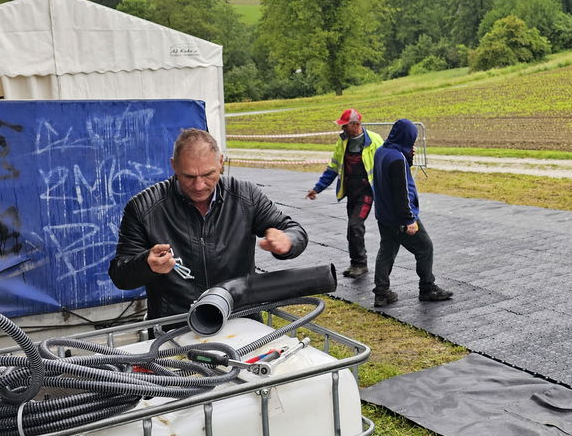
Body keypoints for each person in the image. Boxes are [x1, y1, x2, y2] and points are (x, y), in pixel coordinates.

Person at [109, 128, 308, 319]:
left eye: (208, 175)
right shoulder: (143, 208)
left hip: (239, 317)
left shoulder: (246, 196)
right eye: (189, 176)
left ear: (221, 162)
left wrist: (287, 241)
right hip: (175, 325)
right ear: (173, 166)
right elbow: (120, 275)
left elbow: (294, 231)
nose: (199, 185)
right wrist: (146, 264)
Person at [370, 118, 452, 307]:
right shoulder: (397, 159)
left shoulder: (382, 151)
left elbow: (390, 179)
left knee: (387, 251)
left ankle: (381, 293)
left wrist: (406, 156)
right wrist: (409, 220)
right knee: (425, 248)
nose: (413, 143)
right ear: (406, 137)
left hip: (384, 215)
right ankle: (427, 287)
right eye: (412, 139)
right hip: (400, 217)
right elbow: (402, 191)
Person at [306, 108, 383, 279]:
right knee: (351, 230)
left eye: (345, 126)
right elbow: (333, 168)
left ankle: (361, 264)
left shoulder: (375, 141)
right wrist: (317, 188)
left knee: (355, 226)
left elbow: (386, 165)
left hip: (366, 193)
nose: (343, 129)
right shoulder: (342, 142)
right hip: (351, 192)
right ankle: (355, 263)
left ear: (356, 125)